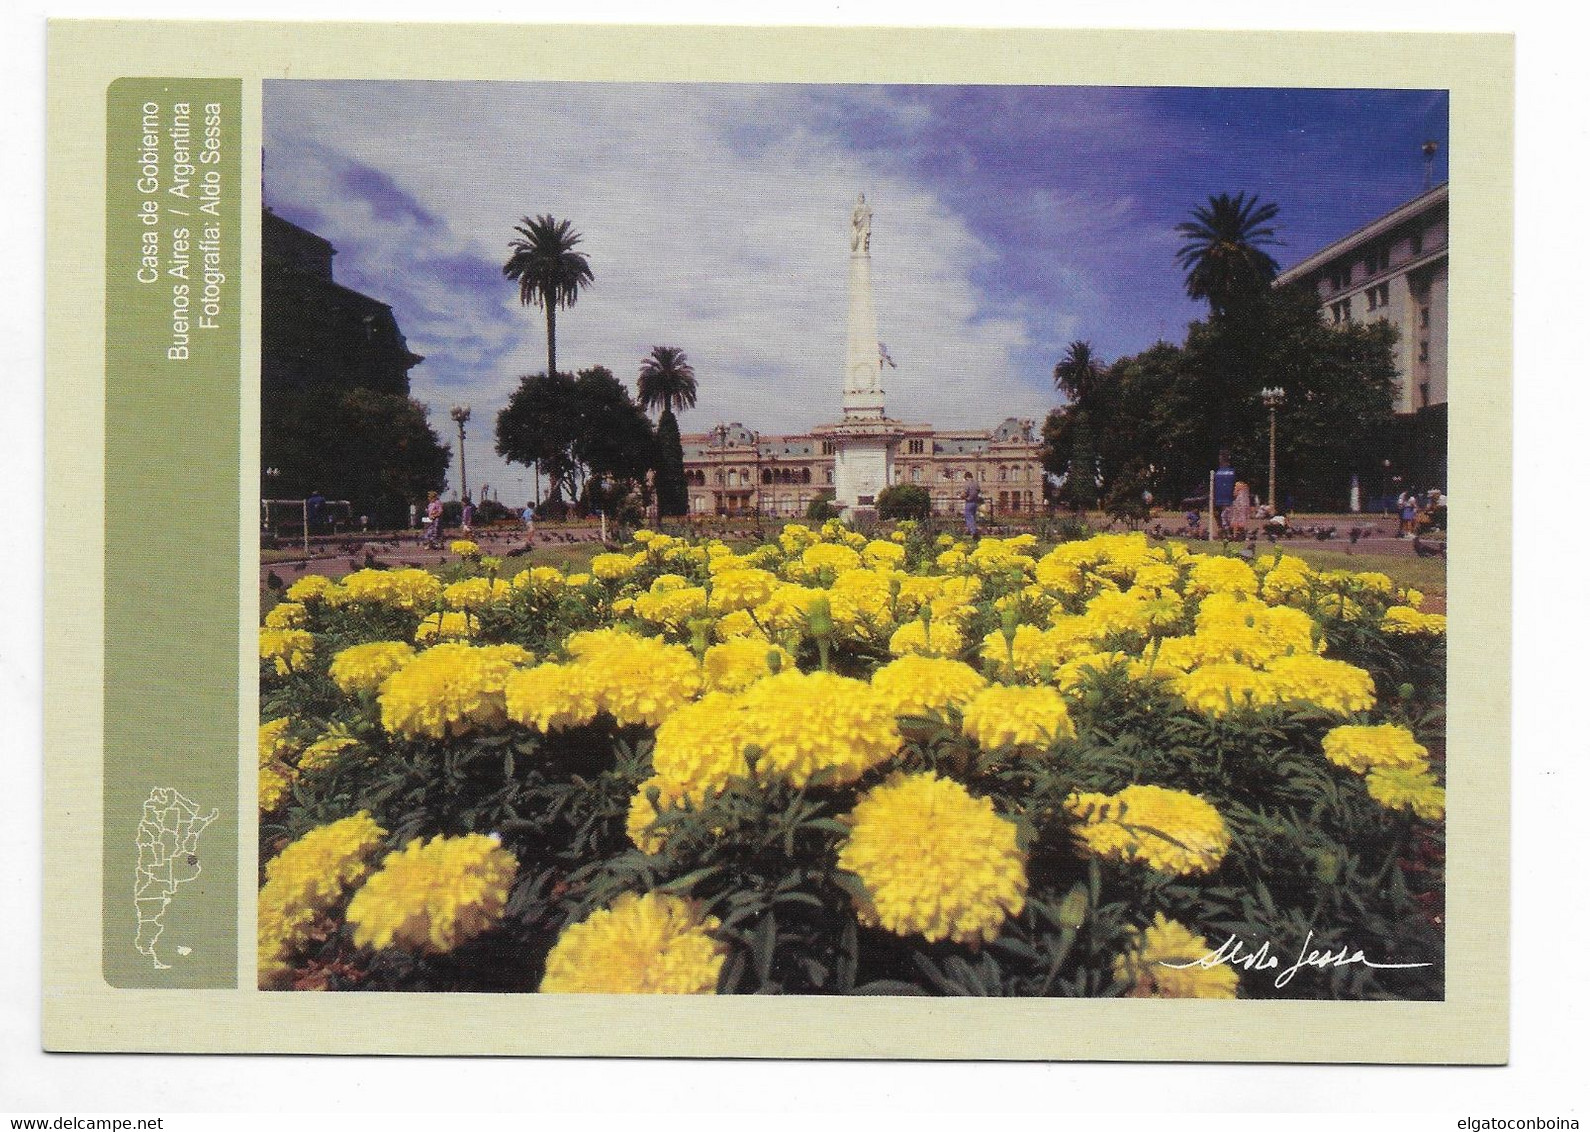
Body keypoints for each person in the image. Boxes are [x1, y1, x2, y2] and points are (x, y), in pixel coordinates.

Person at [1212, 451, 1236, 530]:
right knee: (1223, 515)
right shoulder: (1229, 471)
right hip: (1223, 497)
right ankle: (1222, 529)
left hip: (1224, 498)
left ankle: (1224, 529)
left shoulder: (1227, 471)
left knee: (1224, 515)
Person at [961, 473, 981, 538]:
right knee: (973, 517)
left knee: (969, 517)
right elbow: (978, 491)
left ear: (966, 477)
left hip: (969, 502)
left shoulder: (967, 483)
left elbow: (964, 493)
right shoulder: (976, 483)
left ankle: (974, 532)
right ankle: (971, 531)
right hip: (975, 502)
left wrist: (962, 496)